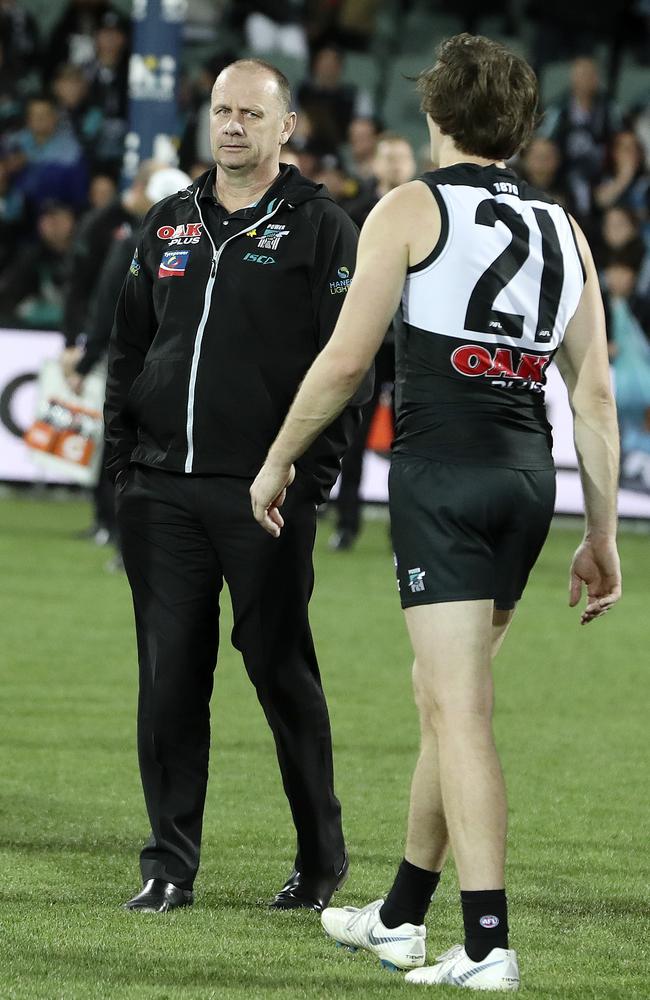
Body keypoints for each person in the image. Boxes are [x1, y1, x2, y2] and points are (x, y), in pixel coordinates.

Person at [251, 34, 622, 990]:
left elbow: (344, 362)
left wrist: (278, 459)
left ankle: (490, 944)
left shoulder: (410, 207)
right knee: (440, 699)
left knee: (460, 712)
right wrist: (603, 535)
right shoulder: (566, 228)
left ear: (435, 114)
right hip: (526, 481)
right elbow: (595, 398)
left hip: (443, 474)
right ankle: (403, 914)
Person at [104, 58, 366, 914]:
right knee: (168, 677)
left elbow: (351, 364)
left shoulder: (325, 226)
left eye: (252, 112)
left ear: (286, 126)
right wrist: (122, 471)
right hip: (162, 493)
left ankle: (321, 857)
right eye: (222, 110)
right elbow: (128, 350)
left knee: (280, 672)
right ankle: (169, 865)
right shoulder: (169, 223)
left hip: (266, 494)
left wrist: (309, 475)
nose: (233, 126)